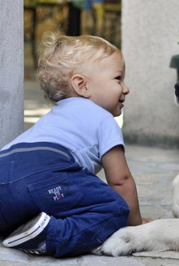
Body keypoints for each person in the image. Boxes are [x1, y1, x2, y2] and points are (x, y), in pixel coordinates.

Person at [0, 33, 146, 257]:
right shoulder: (103, 118)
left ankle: (24, 227)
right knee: (114, 208)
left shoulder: (54, 117)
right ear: (82, 85)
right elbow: (120, 179)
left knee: (39, 199)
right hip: (47, 170)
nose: (126, 88)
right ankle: (49, 235)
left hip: (5, 166)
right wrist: (135, 224)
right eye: (118, 79)